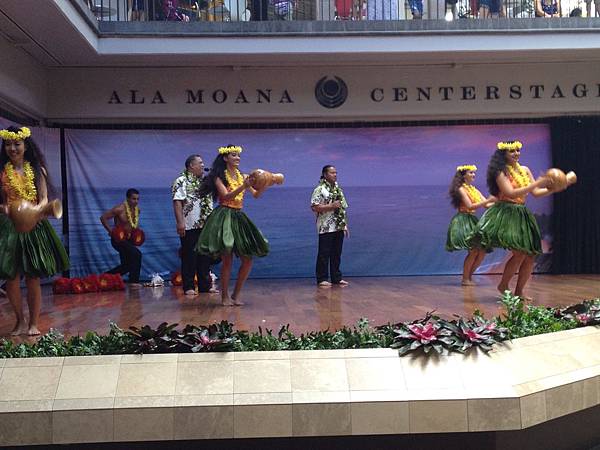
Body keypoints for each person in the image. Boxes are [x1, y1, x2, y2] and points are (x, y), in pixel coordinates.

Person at [0, 126, 69, 336]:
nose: (12, 149)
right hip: (9, 227)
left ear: (26, 146)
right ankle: (19, 321)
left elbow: (45, 199)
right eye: (8, 145)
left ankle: (33, 323)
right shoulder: (1, 172)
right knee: (11, 277)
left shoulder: (38, 170)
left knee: (32, 277)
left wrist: (37, 211)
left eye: (17, 144)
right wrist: (5, 209)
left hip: (34, 226)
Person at [470, 140, 554, 300]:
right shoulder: (499, 171)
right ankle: (504, 285)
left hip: (521, 213)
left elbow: (535, 192)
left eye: (518, 150)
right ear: (503, 154)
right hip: (506, 212)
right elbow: (511, 193)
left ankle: (519, 291)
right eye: (512, 151)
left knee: (529, 255)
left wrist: (551, 188)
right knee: (520, 253)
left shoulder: (524, 170)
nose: (516, 153)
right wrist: (538, 182)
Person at [196, 145, 269, 306]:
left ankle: (235, 295)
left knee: (247, 259)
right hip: (224, 216)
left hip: (238, 216)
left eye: (238, 156)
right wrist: (244, 185)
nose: (238, 158)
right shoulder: (218, 177)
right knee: (227, 259)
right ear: (225, 158)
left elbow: (256, 195)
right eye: (234, 155)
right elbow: (225, 195)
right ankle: (224, 298)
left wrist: (264, 184)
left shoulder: (242, 176)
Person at [172, 154, 218, 296]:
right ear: (191, 165)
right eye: (200, 163)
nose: (203, 165)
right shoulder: (181, 181)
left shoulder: (205, 182)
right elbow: (177, 202)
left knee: (205, 256)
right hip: (189, 224)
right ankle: (189, 286)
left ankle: (205, 285)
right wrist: (180, 222)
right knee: (189, 256)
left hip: (205, 224)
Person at [446, 165, 495, 286]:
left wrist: (499, 201)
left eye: (474, 173)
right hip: (463, 220)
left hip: (472, 220)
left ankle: (468, 277)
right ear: (463, 175)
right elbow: (470, 206)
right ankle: (465, 279)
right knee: (473, 251)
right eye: (471, 172)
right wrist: (488, 200)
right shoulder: (461, 189)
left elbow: (486, 205)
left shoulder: (474, 189)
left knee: (482, 251)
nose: (473, 175)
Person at [311, 165, 349, 287]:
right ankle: (322, 278)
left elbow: (342, 208)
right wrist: (330, 206)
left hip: (338, 225)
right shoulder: (320, 189)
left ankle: (336, 278)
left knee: (337, 253)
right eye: (332, 172)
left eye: (336, 172)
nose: (335, 174)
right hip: (325, 226)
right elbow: (314, 207)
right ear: (325, 174)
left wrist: (345, 225)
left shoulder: (338, 189)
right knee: (324, 253)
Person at [100, 189, 143, 285]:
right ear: (127, 199)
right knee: (137, 254)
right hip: (118, 239)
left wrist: (137, 235)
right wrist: (111, 231)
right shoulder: (119, 209)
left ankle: (104, 277)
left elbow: (133, 225)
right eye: (133, 199)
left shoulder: (137, 210)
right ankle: (134, 282)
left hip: (129, 240)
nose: (136, 201)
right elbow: (103, 218)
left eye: (137, 199)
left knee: (126, 266)